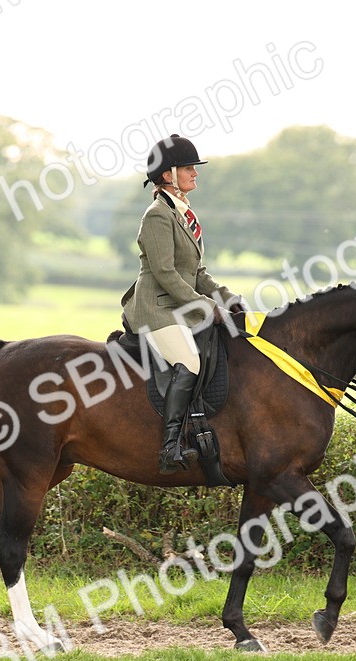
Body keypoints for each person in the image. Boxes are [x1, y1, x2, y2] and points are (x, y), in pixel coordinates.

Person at [120, 134, 243, 473]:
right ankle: (170, 447)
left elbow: (196, 272)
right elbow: (165, 273)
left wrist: (228, 299)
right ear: (168, 174)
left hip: (178, 304)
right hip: (156, 308)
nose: (195, 173)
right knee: (189, 360)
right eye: (189, 168)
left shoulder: (183, 214)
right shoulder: (157, 216)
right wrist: (207, 307)